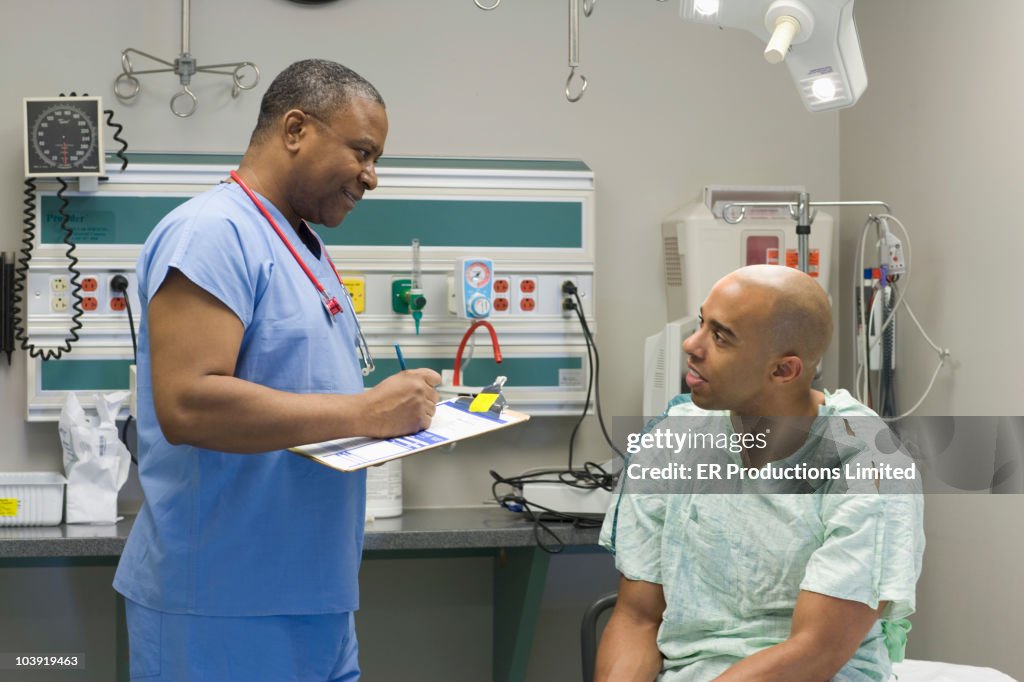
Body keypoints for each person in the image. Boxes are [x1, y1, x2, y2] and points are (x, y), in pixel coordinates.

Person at [113, 59, 440, 681]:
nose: (371, 177)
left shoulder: (302, 245)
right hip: (223, 603)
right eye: (363, 152)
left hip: (313, 596)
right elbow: (186, 404)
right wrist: (365, 412)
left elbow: (301, 397)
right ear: (296, 129)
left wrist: (394, 413)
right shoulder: (212, 233)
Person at [597, 264, 924, 682]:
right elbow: (637, 619)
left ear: (783, 371)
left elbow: (815, 652)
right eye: (702, 323)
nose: (691, 345)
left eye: (720, 337)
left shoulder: (869, 465)